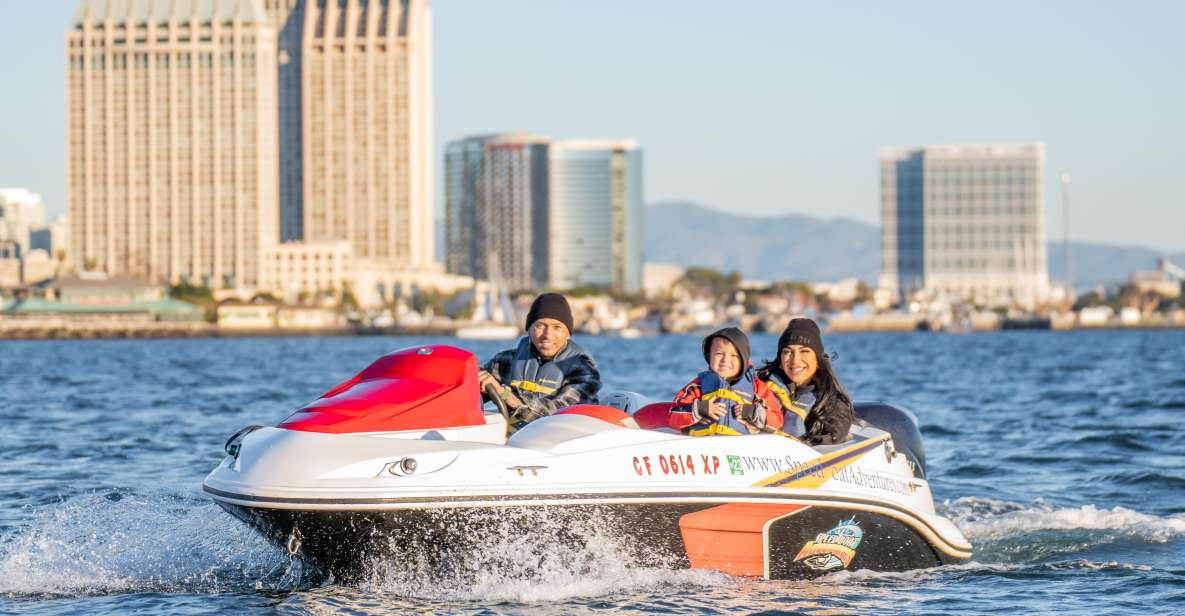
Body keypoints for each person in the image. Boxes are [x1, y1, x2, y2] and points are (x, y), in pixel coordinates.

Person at [478, 293, 601, 427]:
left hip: (563, 439)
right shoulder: (505, 361)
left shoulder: (584, 370)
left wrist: (505, 394)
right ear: (529, 329)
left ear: (568, 332)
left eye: (557, 327)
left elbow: (556, 414)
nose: (547, 335)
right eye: (540, 326)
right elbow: (470, 392)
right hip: (515, 439)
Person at [668, 327, 784, 436]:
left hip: (740, 448)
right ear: (709, 356)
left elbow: (777, 420)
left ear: (743, 360)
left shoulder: (757, 388)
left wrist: (754, 413)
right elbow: (673, 415)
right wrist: (699, 409)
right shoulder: (698, 386)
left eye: (734, 355)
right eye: (719, 354)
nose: (725, 360)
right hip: (703, 446)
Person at [757, 318, 854, 445]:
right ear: (780, 358)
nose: (795, 360)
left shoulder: (835, 404)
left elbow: (833, 437)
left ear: (818, 358)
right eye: (787, 352)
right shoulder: (759, 385)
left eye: (804, 351)